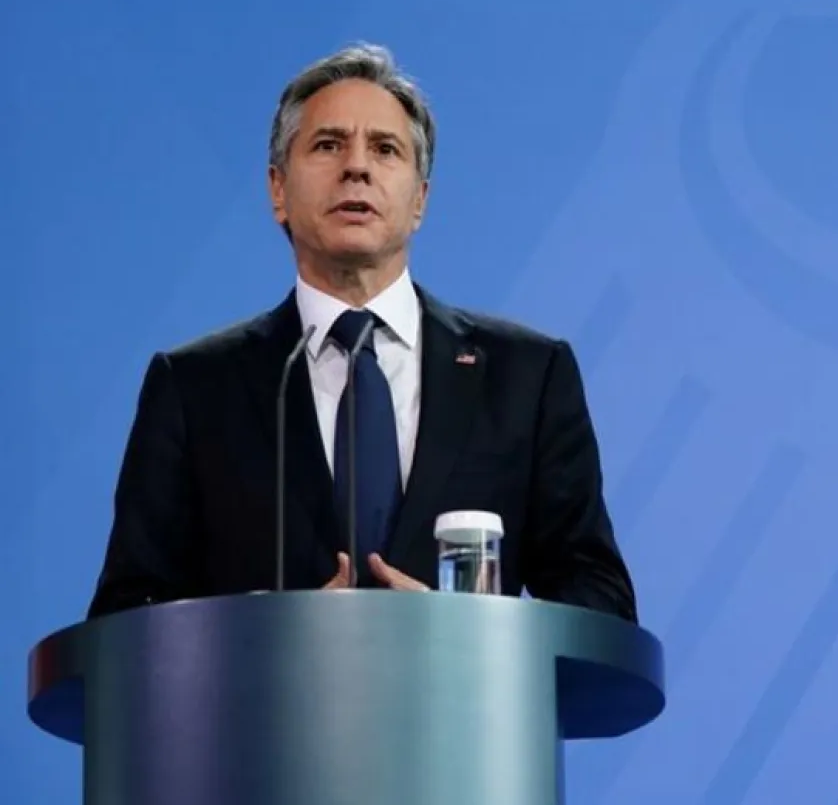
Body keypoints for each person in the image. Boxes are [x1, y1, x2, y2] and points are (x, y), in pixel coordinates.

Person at [86, 43, 637, 623]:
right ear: (278, 190)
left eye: (385, 149)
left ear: (419, 199)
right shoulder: (195, 387)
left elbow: (600, 602)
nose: (357, 166)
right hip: (270, 715)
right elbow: (128, 616)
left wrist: (467, 637)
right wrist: (271, 638)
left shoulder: (528, 376)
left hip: (461, 712)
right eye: (328, 145)